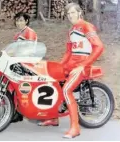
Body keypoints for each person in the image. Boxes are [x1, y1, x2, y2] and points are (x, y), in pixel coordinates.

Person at [38, 3, 104, 139]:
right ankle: (54, 118)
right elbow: (68, 52)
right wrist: (59, 65)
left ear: (79, 12)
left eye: (73, 13)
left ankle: (75, 128)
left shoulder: (86, 26)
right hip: (70, 64)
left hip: (81, 66)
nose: (70, 16)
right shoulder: (71, 30)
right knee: (52, 82)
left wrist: (83, 65)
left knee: (66, 90)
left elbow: (99, 47)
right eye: (68, 14)